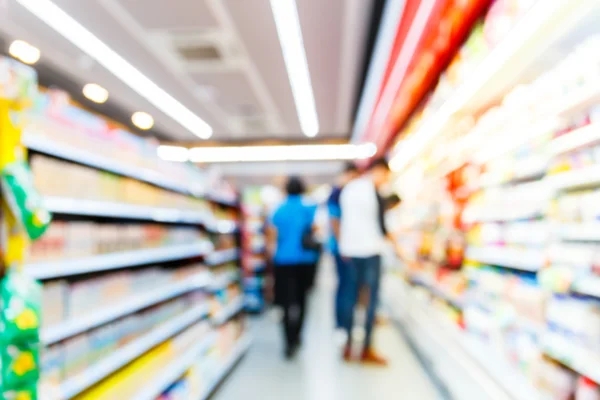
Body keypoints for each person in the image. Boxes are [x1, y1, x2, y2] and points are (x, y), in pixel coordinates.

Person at [338, 157, 401, 366]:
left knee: (349, 297)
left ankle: (347, 345)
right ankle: (366, 348)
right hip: (370, 252)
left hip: (349, 251)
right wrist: (398, 248)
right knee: (370, 300)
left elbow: (342, 221)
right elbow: (381, 226)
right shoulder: (373, 192)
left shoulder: (348, 189)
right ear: (379, 171)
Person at [267, 176, 317, 359]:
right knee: (302, 300)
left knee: (286, 302)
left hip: (284, 261)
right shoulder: (309, 208)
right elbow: (316, 231)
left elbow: (271, 238)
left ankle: (288, 342)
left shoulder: (278, 210)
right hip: (306, 260)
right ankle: (298, 336)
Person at [327, 162, 359, 331]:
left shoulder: (343, 193)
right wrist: (342, 246)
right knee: (345, 285)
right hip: (342, 248)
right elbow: (334, 222)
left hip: (345, 247)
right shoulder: (337, 193)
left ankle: (344, 322)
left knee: (347, 285)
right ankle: (342, 324)